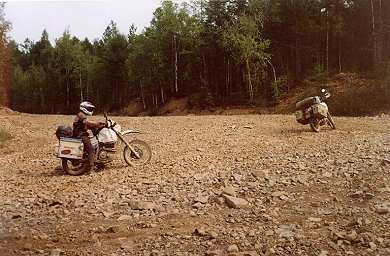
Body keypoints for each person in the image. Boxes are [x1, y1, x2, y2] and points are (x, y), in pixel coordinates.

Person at [73, 101, 104, 170]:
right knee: (91, 149)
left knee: (92, 146)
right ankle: (91, 168)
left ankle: (94, 161)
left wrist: (97, 126)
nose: (91, 111)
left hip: (79, 134)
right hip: (81, 136)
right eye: (89, 109)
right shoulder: (81, 115)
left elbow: (86, 125)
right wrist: (97, 124)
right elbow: (86, 123)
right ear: (84, 108)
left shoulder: (81, 114)